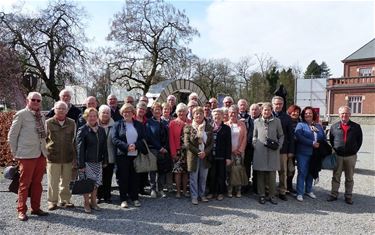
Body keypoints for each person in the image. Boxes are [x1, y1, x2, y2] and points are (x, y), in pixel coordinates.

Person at [8, 92, 49, 221]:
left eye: (38, 100)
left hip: (40, 154)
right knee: (24, 184)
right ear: (28, 101)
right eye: (34, 100)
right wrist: (16, 154)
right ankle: (21, 210)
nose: (36, 102)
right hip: (26, 155)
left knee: (38, 183)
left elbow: (44, 136)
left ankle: (35, 208)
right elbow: (12, 136)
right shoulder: (21, 115)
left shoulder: (41, 116)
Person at [111, 103, 147, 208]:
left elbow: (143, 139)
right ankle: (123, 199)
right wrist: (127, 147)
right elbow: (114, 139)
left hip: (135, 155)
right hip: (122, 155)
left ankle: (135, 198)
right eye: (125, 112)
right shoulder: (117, 124)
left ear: (133, 113)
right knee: (123, 177)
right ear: (122, 113)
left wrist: (135, 146)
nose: (127, 113)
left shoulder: (139, 125)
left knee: (135, 177)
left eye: (129, 111)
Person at [327, 106, 363, 205]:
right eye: (342, 113)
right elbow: (331, 140)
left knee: (349, 177)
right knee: (336, 176)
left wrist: (354, 150)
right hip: (338, 156)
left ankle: (348, 196)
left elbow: (359, 141)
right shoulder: (334, 127)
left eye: (346, 113)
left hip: (350, 156)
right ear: (339, 115)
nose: (344, 115)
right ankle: (334, 194)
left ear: (350, 115)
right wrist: (336, 149)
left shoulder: (356, 127)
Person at [76, 108, 108, 213]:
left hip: (98, 162)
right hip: (87, 162)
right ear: (86, 117)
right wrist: (81, 164)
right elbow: (79, 149)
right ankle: (86, 203)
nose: (93, 118)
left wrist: (105, 160)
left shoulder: (101, 130)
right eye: (90, 116)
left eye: (94, 116)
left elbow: (104, 147)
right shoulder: (82, 130)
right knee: (87, 184)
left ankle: (94, 202)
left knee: (96, 183)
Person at [45, 101, 76, 211]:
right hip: (53, 157)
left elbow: (74, 140)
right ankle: (52, 202)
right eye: (59, 108)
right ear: (54, 109)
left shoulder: (72, 123)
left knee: (66, 181)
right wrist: (46, 154)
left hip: (68, 157)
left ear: (67, 110)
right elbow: (44, 140)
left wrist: (75, 158)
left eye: (64, 108)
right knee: (53, 181)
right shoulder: (48, 123)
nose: (61, 110)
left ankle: (65, 200)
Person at [253, 102, 284, 205]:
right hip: (260, 151)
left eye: (269, 110)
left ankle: (272, 195)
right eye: (265, 110)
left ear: (271, 111)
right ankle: (261, 195)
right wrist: (255, 145)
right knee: (260, 174)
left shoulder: (277, 121)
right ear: (261, 111)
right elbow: (254, 135)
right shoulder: (256, 121)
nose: (267, 112)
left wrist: (279, 146)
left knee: (272, 175)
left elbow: (281, 135)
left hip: (273, 151)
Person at [294, 106, 325, 202]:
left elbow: (322, 136)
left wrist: (321, 143)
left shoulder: (318, 126)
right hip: (303, 152)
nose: (308, 114)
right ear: (303, 115)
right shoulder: (300, 125)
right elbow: (299, 136)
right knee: (302, 172)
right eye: (306, 113)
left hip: (315, 154)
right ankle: (299, 192)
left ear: (313, 114)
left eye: (310, 113)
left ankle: (309, 190)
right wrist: (311, 143)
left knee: (311, 171)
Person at [184, 107, 213, 205]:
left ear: (203, 115)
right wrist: (198, 152)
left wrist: (205, 152)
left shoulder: (208, 127)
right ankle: (194, 196)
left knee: (203, 177)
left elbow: (211, 143)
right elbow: (187, 143)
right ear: (193, 115)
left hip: (205, 156)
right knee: (193, 178)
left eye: (200, 113)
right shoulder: (188, 127)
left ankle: (202, 195)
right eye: (196, 113)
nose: (198, 115)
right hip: (193, 156)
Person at [271, 96, 294, 201]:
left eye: (280, 104)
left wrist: (290, 151)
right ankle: (270, 190)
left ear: (283, 105)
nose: (278, 105)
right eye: (276, 104)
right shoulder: (268, 116)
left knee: (283, 172)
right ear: (272, 104)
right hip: (269, 149)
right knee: (270, 171)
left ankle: (282, 191)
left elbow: (291, 136)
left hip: (283, 150)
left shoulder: (287, 118)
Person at [146, 102, 170, 198]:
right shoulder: (149, 123)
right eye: (155, 109)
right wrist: (159, 148)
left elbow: (168, 137)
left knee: (162, 171)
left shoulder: (164, 122)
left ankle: (160, 189)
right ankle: (152, 189)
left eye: (159, 109)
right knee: (152, 170)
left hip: (164, 150)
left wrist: (165, 148)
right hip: (153, 149)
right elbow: (150, 137)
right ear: (152, 111)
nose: (157, 111)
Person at [207, 108, 232, 201]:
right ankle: (211, 192)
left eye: (218, 114)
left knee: (221, 175)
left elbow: (228, 144)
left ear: (222, 116)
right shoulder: (209, 127)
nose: (217, 116)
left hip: (221, 156)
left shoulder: (226, 128)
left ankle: (220, 193)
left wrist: (228, 157)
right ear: (212, 117)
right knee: (211, 175)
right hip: (211, 156)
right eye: (215, 115)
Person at [225, 105, 248, 198]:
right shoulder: (225, 124)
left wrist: (240, 150)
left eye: (234, 112)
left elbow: (245, 138)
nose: (232, 114)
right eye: (230, 112)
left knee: (238, 171)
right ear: (228, 113)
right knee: (229, 170)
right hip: (229, 152)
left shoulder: (242, 124)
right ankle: (229, 189)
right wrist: (231, 150)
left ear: (237, 113)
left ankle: (238, 190)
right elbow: (224, 140)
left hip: (239, 152)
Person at [169, 103, 191, 198]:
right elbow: (171, 139)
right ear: (176, 112)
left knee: (186, 172)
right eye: (179, 111)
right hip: (177, 151)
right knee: (178, 172)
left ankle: (185, 191)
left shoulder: (190, 122)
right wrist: (173, 153)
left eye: (183, 111)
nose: (181, 113)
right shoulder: (173, 123)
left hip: (188, 151)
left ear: (187, 112)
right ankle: (178, 192)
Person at [97, 105, 116, 203]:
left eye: (107, 113)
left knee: (108, 177)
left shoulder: (115, 125)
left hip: (110, 155)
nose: (105, 114)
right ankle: (98, 196)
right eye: (103, 112)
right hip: (97, 156)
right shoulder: (94, 125)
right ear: (99, 114)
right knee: (98, 177)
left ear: (110, 114)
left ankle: (107, 196)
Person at [286, 104, 302, 195]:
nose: (295, 113)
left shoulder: (300, 121)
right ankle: (285, 186)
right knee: (287, 168)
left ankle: (289, 186)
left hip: (298, 148)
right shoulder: (286, 120)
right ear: (290, 111)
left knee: (292, 169)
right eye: (293, 111)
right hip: (288, 148)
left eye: (297, 112)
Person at [249, 103, 261, 193]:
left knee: (257, 168)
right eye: (252, 109)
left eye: (256, 109)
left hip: (259, 148)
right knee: (246, 166)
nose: (254, 111)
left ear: (259, 111)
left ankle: (256, 186)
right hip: (247, 147)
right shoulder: (246, 120)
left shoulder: (262, 120)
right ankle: (246, 185)